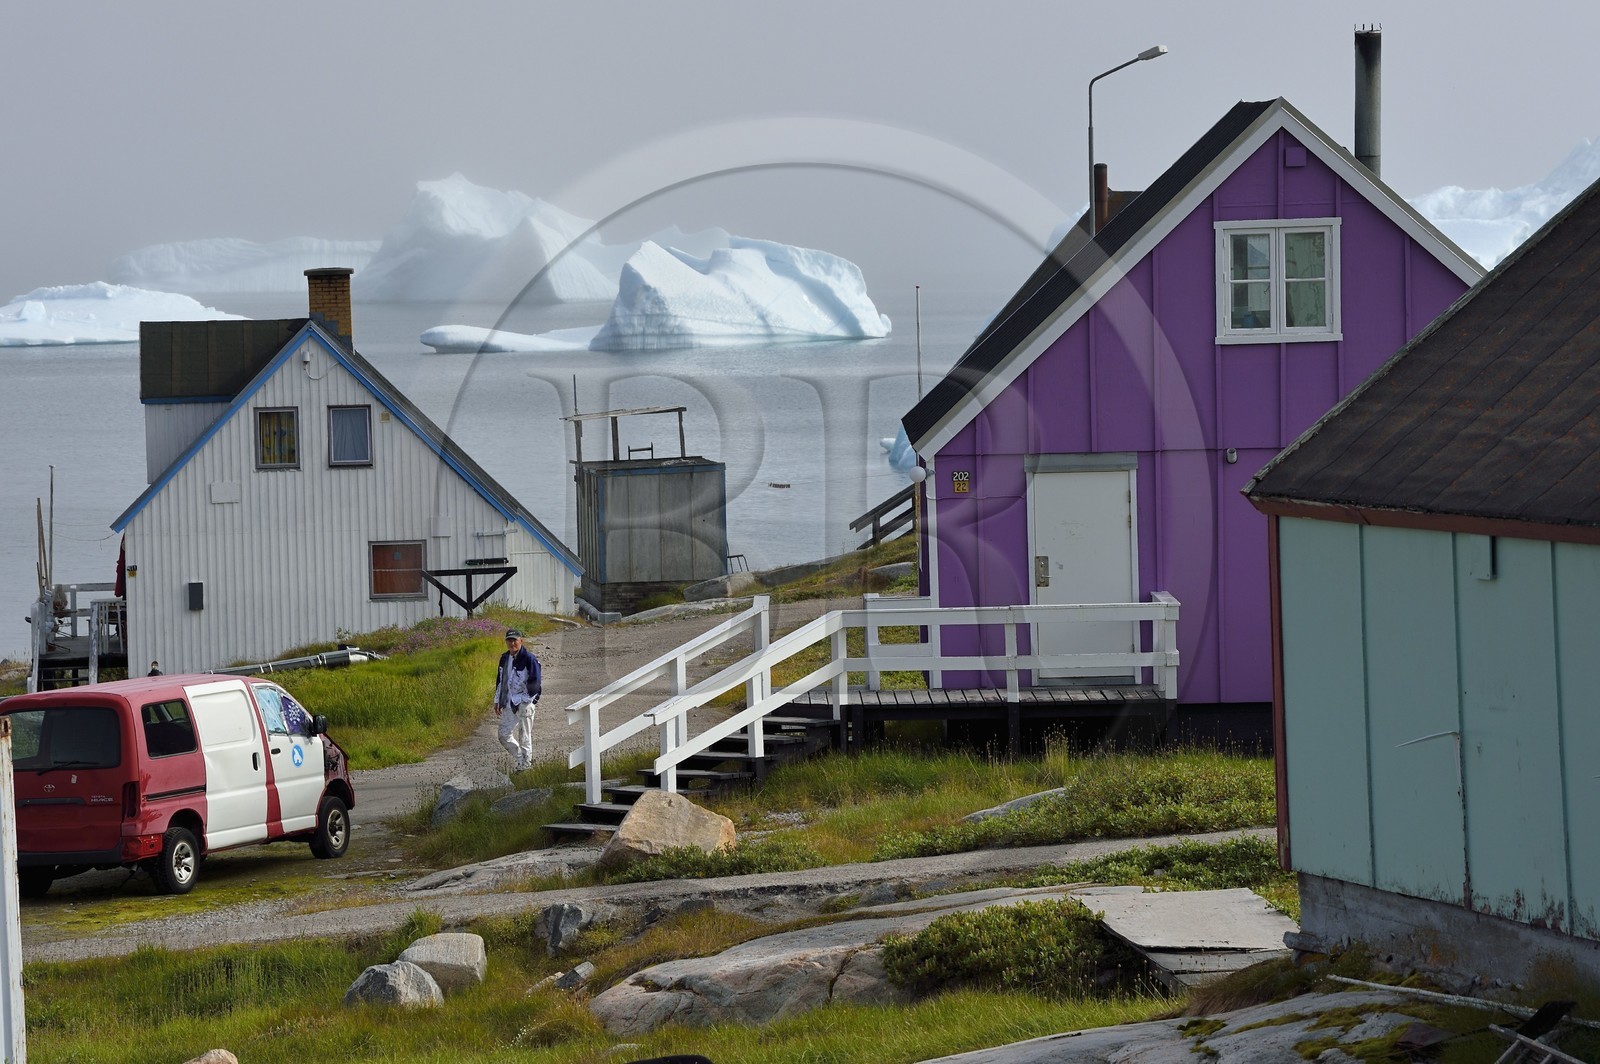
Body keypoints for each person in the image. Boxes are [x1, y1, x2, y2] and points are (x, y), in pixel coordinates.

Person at [493, 628, 541, 772]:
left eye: (515, 640)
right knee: (503, 734)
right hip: (509, 702)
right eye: (509, 640)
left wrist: (526, 700)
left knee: (524, 736)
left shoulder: (529, 659)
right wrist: (498, 700)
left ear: (521, 641)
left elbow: (536, 682)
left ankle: (525, 767)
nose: (512, 643)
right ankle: (522, 759)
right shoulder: (504, 658)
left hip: (525, 702)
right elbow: (501, 680)